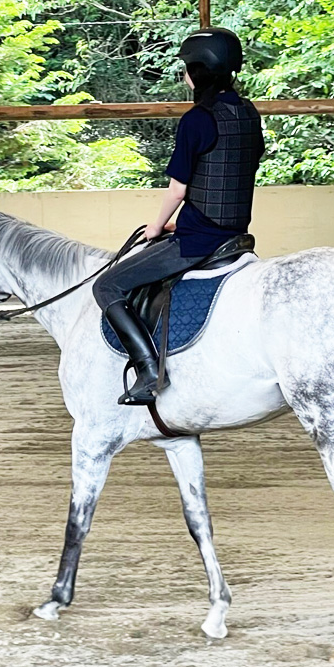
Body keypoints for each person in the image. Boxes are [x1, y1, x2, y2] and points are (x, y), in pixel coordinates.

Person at [93, 27, 264, 405]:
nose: (184, 74)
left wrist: (157, 227)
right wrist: (183, 220)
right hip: (236, 234)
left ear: (200, 70)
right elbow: (230, 173)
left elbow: (178, 190)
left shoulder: (197, 119)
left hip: (200, 240)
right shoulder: (248, 113)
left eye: (187, 67)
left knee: (106, 286)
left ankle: (148, 370)